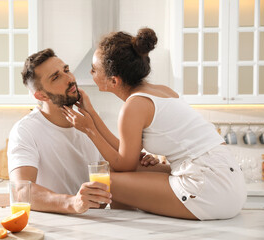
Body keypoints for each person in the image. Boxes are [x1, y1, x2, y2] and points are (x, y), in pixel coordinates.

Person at [61, 27, 247, 220]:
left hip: (210, 187)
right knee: (128, 171)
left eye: (94, 69)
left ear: (114, 81)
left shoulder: (134, 106)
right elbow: (124, 155)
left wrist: (88, 129)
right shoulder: (161, 91)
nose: (90, 72)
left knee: (109, 181)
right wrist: (90, 113)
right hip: (229, 182)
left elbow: (124, 165)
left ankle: (126, 230)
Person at [7, 48, 112, 214]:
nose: (70, 79)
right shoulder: (25, 130)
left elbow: (111, 171)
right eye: (56, 77)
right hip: (54, 227)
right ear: (41, 96)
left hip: (96, 221)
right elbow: (21, 190)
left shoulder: (87, 122)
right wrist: (74, 203)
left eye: (66, 70)